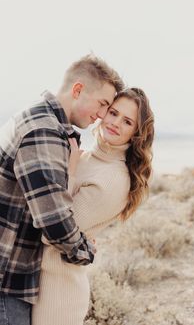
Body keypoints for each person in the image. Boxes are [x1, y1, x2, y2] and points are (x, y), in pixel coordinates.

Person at [0, 54, 124, 325]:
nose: (102, 116)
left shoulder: (45, 123)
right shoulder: (42, 130)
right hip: (6, 282)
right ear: (78, 89)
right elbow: (53, 221)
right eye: (103, 104)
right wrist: (85, 250)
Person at [32, 87, 155, 325]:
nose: (116, 123)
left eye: (127, 121)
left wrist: (70, 171)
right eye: (113, 113)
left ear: (136, 133)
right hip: (36, 282)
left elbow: (54, 230)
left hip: (57, 294)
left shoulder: (113, 179)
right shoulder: (86, 157)